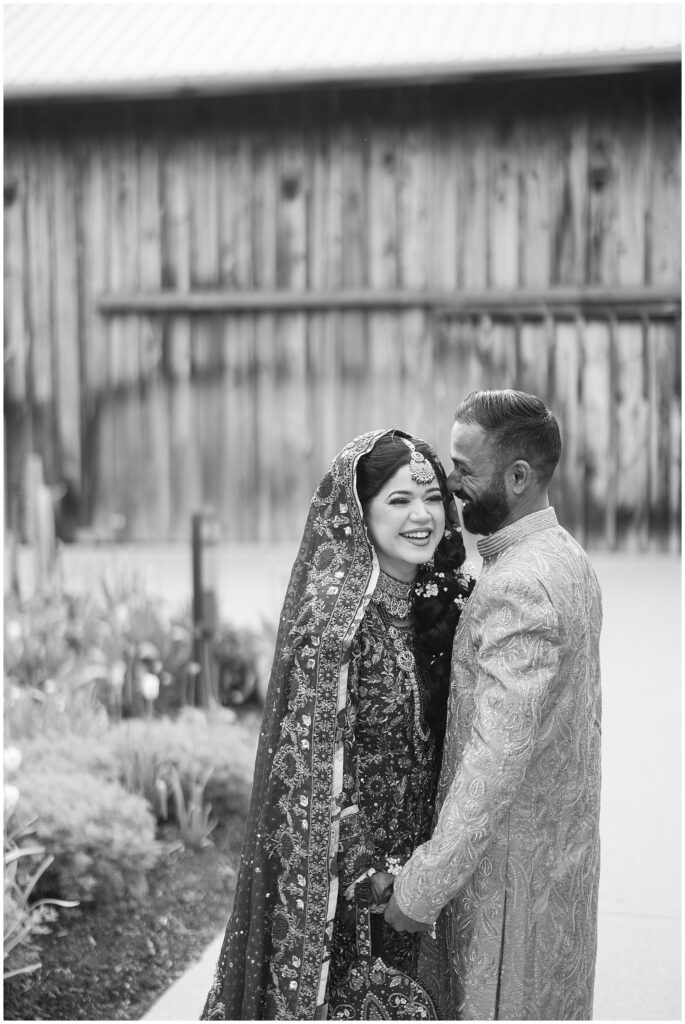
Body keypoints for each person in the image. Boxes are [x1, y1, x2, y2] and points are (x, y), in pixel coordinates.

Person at [201, 428, 476, 1020]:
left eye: (432, 498)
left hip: (434, 879)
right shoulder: (333, 623)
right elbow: (311, 773)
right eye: (400, 501)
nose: (422, 515)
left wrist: (432, 873)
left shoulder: (455, 605)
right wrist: (375, 880)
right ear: (358, 512)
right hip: (346, 899)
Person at [385, 390, 603, 1021]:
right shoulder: (568, 557)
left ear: (518, 476)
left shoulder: (517, 586)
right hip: (557, 866)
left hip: (507, 888)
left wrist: (420, 890)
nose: (450, 485)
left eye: (464, 469)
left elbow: (494, 763)